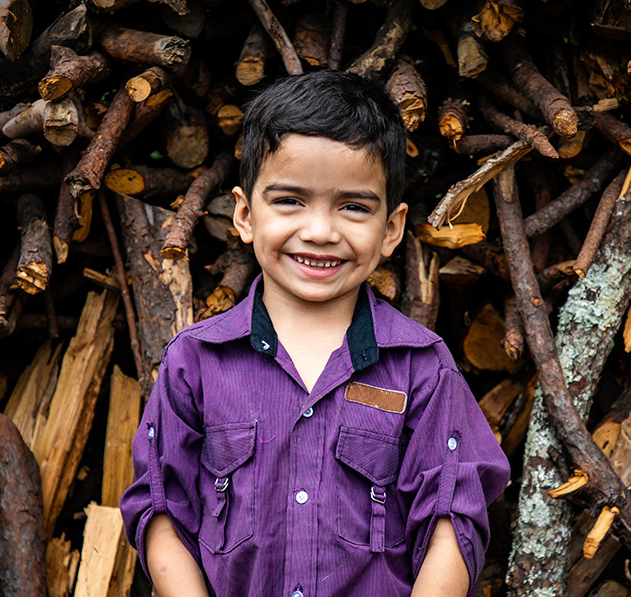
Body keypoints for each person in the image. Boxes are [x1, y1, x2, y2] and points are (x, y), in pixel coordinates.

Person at [120, 70, 510, 597]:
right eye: (289, 201)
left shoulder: (421, 368)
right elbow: (160, 510)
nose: (321, 231)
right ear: (244, 214)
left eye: (353, 206)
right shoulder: (197, 361)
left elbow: (452, 521)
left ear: (391, 228)